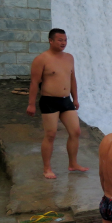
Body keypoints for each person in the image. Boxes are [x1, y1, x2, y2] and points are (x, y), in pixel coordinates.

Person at [27, 28, 88, 179]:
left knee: (76, 132)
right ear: (51, 40)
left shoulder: (69, 58)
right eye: (60, 40)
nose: (63, 43)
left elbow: (72, 79)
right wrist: (31, 104)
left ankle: (73, 163)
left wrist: (75, 99)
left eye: (65, 40)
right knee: (50, 134)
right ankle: (47, 168)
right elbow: (34, 83)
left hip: (66, 100)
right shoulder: (42, 59)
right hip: (49, 101)